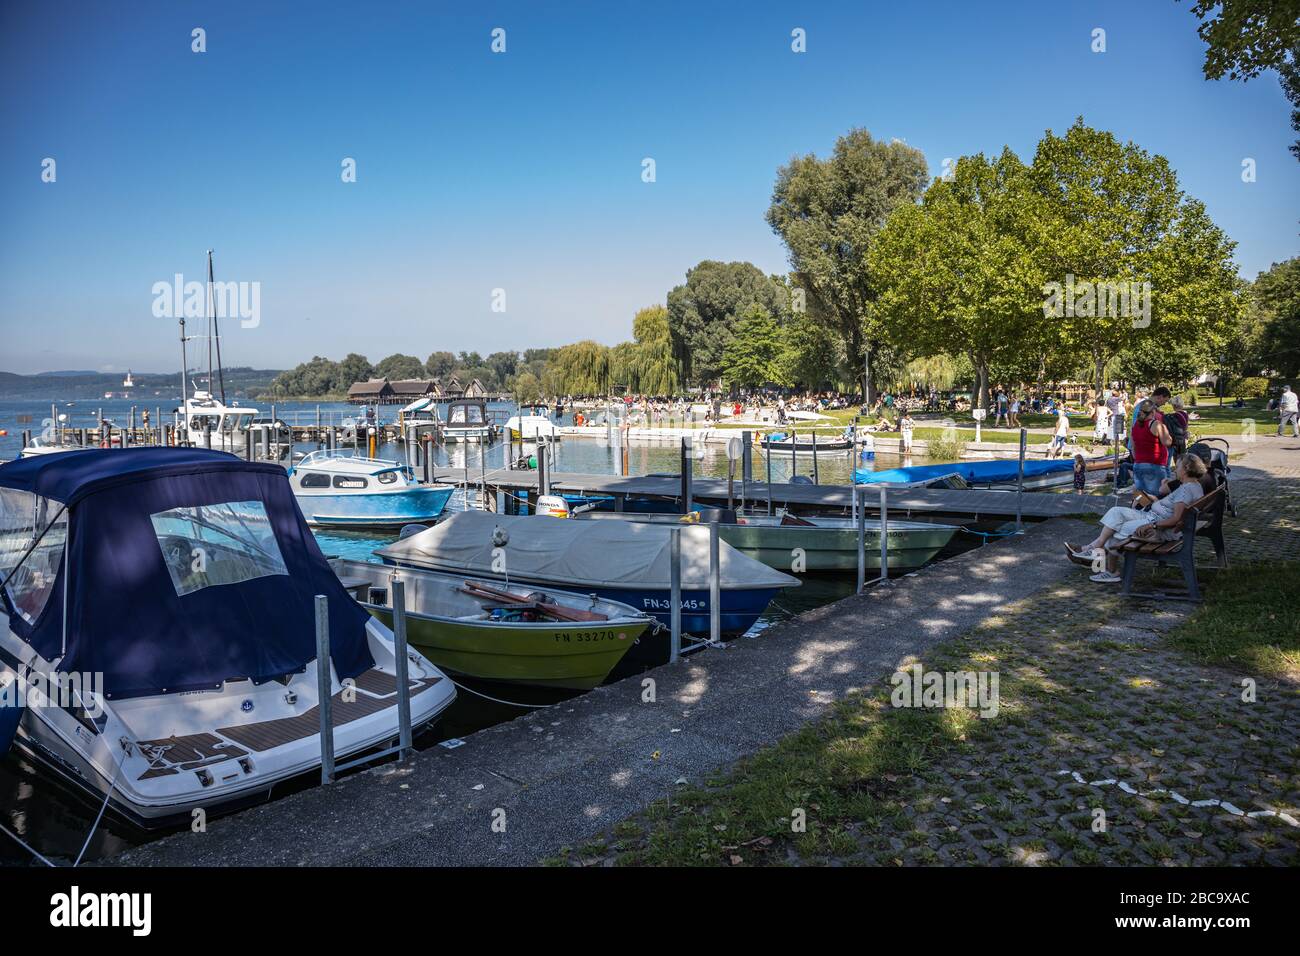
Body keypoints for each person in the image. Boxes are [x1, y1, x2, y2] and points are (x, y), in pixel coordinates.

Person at [1065, 453, 1209, 583]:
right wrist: (1153, 501)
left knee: (1115, 529)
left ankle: (1110, 570)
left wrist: (1152, 525)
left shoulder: (1186, 490)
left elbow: (1176, 519)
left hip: (1157, 527)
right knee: (1116, 512)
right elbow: (1173, 509)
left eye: (1177, 467)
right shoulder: (1193, 486)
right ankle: (1093, 549)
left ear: (1186, 469)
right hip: (1152, 516)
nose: (1175, 470)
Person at [1129, 399, 1172, 495]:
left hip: (1139, 464)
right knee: (1156, 496)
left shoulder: (1136, 425)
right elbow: (1167, 442)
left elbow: (1133, 446)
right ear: (1153, 411)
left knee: (1142, 497)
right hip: (1155, 464)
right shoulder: (1156, 424)